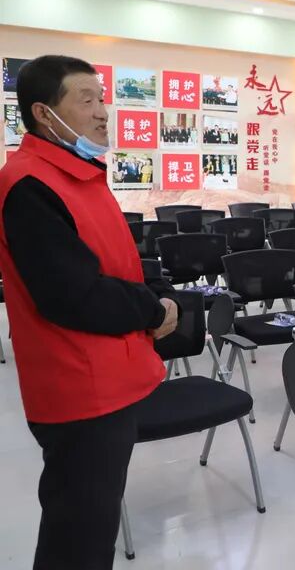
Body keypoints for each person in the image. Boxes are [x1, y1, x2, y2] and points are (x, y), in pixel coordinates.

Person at [0, 55, 180, 570]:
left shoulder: (77, 175)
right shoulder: (29, 185)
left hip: (110, 377)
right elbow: (71, 294)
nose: (103, 112)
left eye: (102, 99)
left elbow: (116, 258)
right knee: (78, 541)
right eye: (87, 100)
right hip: (79, 389)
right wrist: (153, 310)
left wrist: (159, 291)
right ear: (43, 113)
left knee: (90, 530)